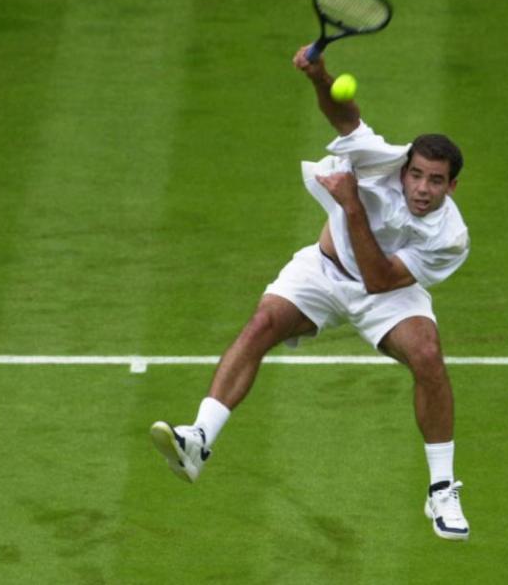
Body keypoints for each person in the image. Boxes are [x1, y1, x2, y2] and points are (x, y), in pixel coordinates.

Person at [150, 45, 472, 541]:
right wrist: (320, 78)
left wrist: (351, 207)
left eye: (435, 181)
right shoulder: (381, 160)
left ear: (451, 187)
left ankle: (442, 491)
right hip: (323, 270)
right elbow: (346, 117)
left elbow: (381, 280)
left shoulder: (450, 237)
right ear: (404, 166)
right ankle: (198, 442)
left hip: (383, 291)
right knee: (261, 324)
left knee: (428, 355)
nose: (422, 188)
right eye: (415, 174)